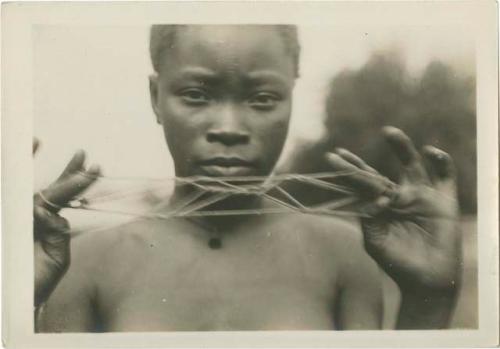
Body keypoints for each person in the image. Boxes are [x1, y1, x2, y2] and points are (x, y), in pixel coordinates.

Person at [34, 25, 461, 332]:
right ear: (155, 98)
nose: (229, 126)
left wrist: (431, 298)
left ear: (292, 99)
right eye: (197, 95)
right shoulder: (83, 263)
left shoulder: (344, 253)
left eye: (262, 99)